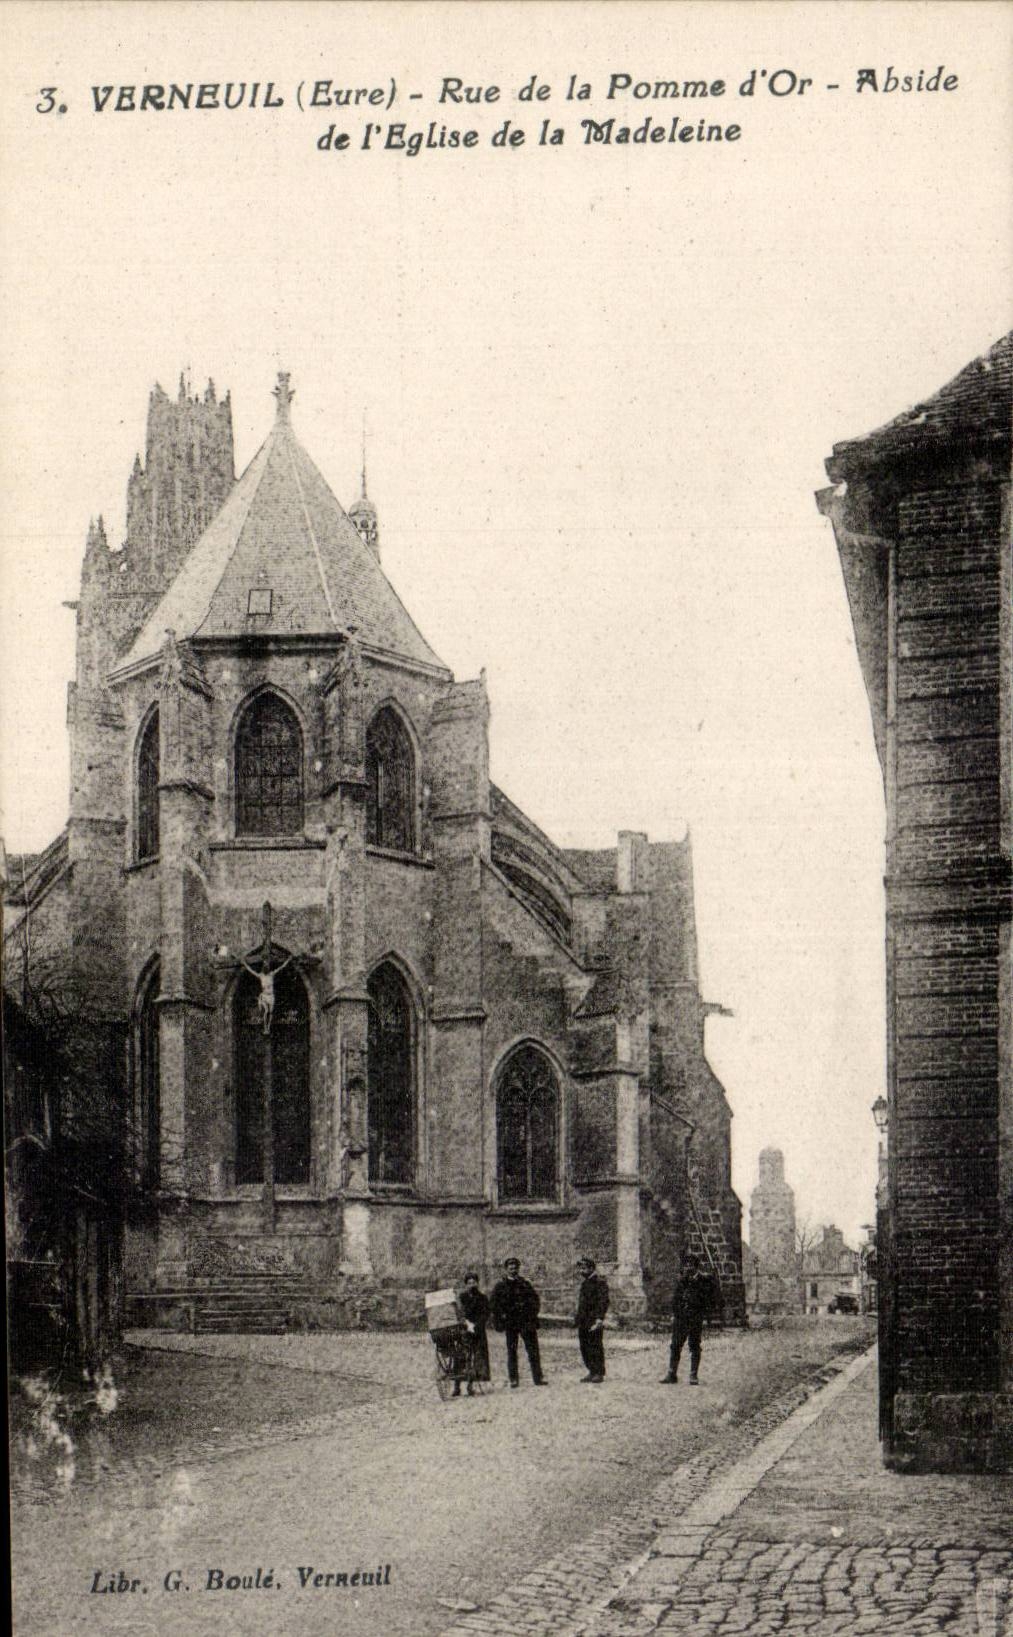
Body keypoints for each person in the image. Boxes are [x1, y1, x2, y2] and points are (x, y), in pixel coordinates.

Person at [489, 1257, 547, 1388]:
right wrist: (502, 1317)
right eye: (510, 1268)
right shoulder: (500, 1286)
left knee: (533, 1350)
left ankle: (538, 1378)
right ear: (506, 1269)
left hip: (526, 1322)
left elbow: (535, 1300)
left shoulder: (525, 1284)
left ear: (518, 1269)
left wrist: (532, 1314)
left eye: (515, 1268)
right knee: (512, 1351)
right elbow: (494, 1304)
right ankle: (513, 1379)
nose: (513, 1270)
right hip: (511, 1323)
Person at [660, 1252, 715, 1385]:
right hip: (681, 1319)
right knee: (675, 1345)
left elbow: (709, 1300)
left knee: (694, 1345)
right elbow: (675, 1299)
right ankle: (672, 1374)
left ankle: (693, 1375)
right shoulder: (682, 1280)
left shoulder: (704, 1281)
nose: (688, 1267)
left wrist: (705, 1315)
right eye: (686, 1265)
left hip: (695, 1318)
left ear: (696, 1267)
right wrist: (674, 1314)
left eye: (691, 1265)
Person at [454, 1271, 491, 1396]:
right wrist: (465, 1323)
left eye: (474, 1282)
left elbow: (485, 1314)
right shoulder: (462, 1297)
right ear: (466, 1284)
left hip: (478, 1331)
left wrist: (476, 1325)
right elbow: (459, 1312)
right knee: (460, 1357)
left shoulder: (483, 1298)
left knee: (476, 1357)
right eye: (469, 1283)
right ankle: (456, 1386)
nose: (472, 1285)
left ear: (477, 1283)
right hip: (464, 1330)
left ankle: (471, 1385)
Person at [575, 1256, 610, 1383]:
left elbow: (603, 1302)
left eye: (584, 1268)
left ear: (591, 1268)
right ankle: (591, 1371)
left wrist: (599, 1318)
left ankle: (599, 1372)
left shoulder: (599, 1282)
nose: (581, 1271)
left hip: (593, 1320)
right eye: (580, 1268)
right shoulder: (585, 1283)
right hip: (583, 1321)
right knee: (584, 1347)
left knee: (595, 1346)